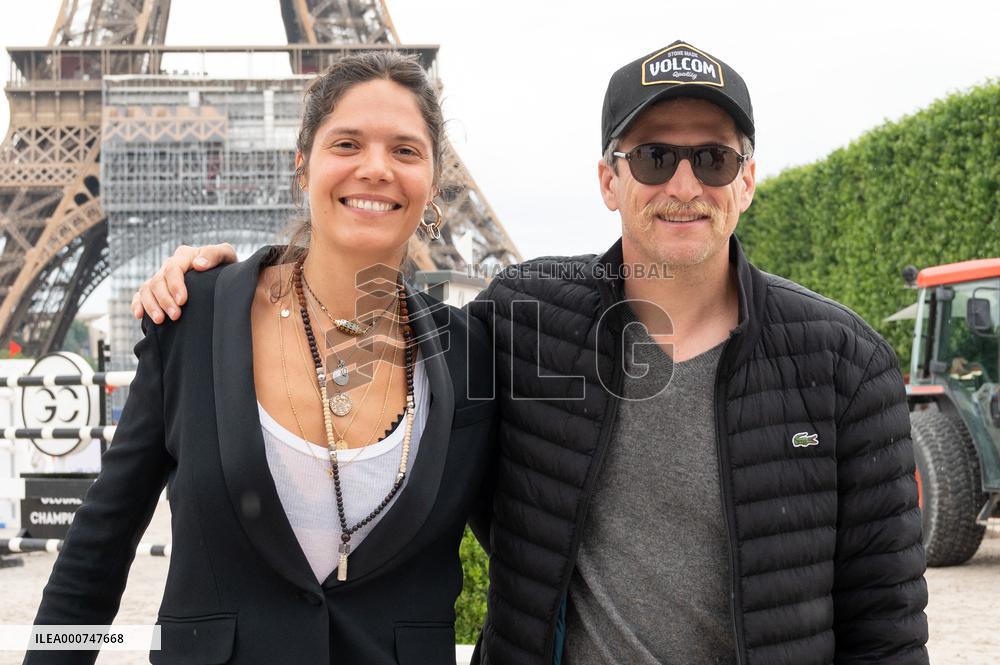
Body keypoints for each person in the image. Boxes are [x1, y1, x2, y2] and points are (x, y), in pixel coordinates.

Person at [134, 41, 929, 664]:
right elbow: (366, 308)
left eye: (712, 158)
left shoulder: (841, 362)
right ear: (607, 179)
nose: (684, 181)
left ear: (747, 179)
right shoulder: (522, 320)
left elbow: (887, 627)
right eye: (654, 157)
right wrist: (236, 287)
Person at [27, 52, 497, 665]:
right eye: (347, 143)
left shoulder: (472, 355)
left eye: (406, 151)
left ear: (434, 181)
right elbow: (98, 552)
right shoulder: (197, 318)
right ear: (302, 166)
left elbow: (534, 563)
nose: (376, 168)